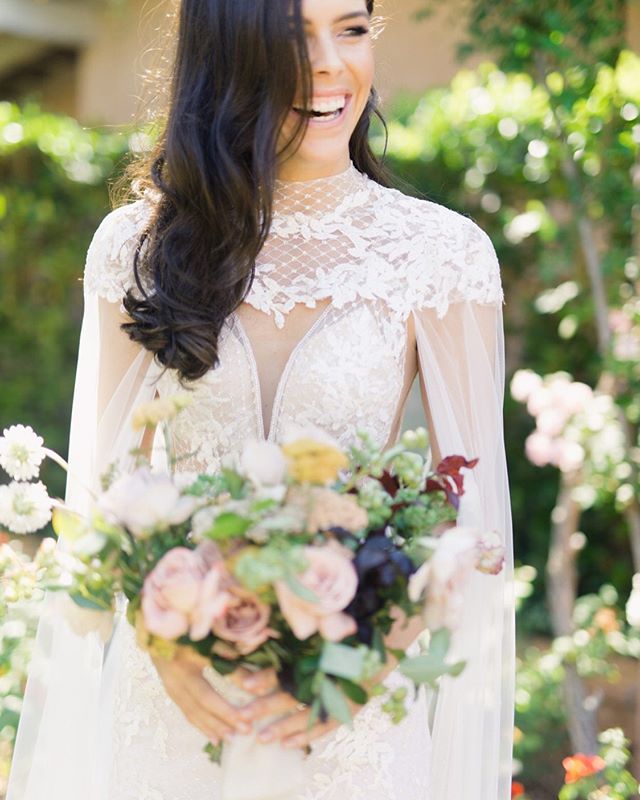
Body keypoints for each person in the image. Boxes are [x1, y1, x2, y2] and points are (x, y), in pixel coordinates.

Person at [7, 0, 515, 798]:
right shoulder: (135, 249)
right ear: (226, 51)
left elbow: (472, 525)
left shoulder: (440, 256)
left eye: (351, 29)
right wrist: (166, 653)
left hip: (355, 727)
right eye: (289, 37)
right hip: (170, 716)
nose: (329, 66)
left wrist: (369, 659)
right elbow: (103, 507)